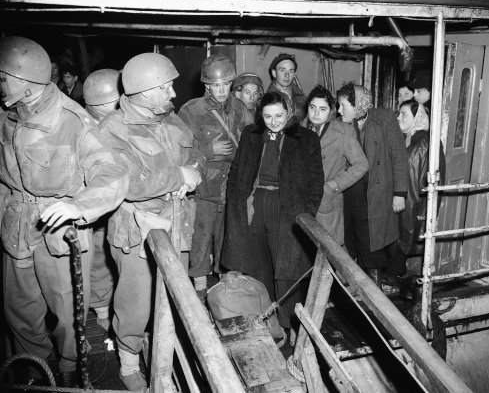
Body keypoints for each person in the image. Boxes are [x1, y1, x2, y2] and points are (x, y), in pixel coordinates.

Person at [0, 36, 128, 384]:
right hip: (16, 224)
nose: (0, 84)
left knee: (68, 312)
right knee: (18, 309)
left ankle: (71, 372)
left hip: (60, 229)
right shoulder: (8, 113)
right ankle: (35, 370)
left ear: (26, 84)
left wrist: (79, 206)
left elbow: (113, 173)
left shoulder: (72, 119)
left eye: (3, 77)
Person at [100, 52, 204, 390]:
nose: (174, 94)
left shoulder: (171, 120)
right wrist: (177, 177)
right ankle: (129, 365)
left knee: (175, 296)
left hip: (176, 223)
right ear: (144, 91)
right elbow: (123, 184)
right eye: (167, 88)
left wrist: (194, 174)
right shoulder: (113, 130)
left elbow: (192, 157)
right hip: (137, 229)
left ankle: (167, 354)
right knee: (136, 301)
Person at [222, 91, 324, 331]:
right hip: (256, 203)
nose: (274, 121)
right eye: (268, 116)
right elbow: (237, 172)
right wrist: (237, 201)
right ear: (261, 115)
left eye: (279, 115)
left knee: (287, 269)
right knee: (258, 263)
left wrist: (306, 212)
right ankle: (267, 322)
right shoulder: (251, 134)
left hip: (288, 207)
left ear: (288, 112)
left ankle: (291, 324)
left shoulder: (306, 138)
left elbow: (316, 181)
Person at [179, 54, 252, 298]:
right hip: (204, 186)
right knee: (201, 235)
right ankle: (199, 285)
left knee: (227, 235)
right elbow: (181, 151)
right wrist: (209, 151)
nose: (221, 90)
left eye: (225, 84)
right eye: (215, 85)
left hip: (232, 184)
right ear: (206, 85)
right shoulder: (191, 111)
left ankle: (225, 282)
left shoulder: (241, 109)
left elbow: (252, 142)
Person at [338, 83, 408, 286]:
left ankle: (379, 280)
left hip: (378, 188)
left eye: (343, 105)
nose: (339, 110)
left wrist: (400, 193)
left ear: (358, 104)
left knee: (376, 235)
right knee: (354, 234)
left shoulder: (384, 118)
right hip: (352, 188)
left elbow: (399, 155)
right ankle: (359, 279)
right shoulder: (342, 124)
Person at [302, 85, 368, 243]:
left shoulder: (342, 132)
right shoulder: (298, 130)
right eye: (312, 107)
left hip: (326, 203)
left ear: (331, 110)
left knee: (328, 253)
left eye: (322, 109)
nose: (316, 113)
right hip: (301, 202)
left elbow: (361, 164)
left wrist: (333, 186)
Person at [83, 68, 122, 331]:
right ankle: (101, 309)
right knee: (98, 258)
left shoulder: (121, 122)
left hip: (122, 204)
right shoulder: (85, 128)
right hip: (98, 208)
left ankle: (113, 308)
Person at [397, 99, 445, 260]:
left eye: (403, 114)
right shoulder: (411, 139)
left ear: (417, 118)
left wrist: (412, 219)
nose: (398, 118)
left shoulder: (421, 144)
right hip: (409, 207)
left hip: (410, 209)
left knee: (403, 249)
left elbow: (411, 188)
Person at [266, 53, 306, 120]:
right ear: (274, 73)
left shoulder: (302, 98)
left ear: (294, 74)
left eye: (291, 71)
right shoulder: (267, 101)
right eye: (282, 70)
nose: (287, 75)